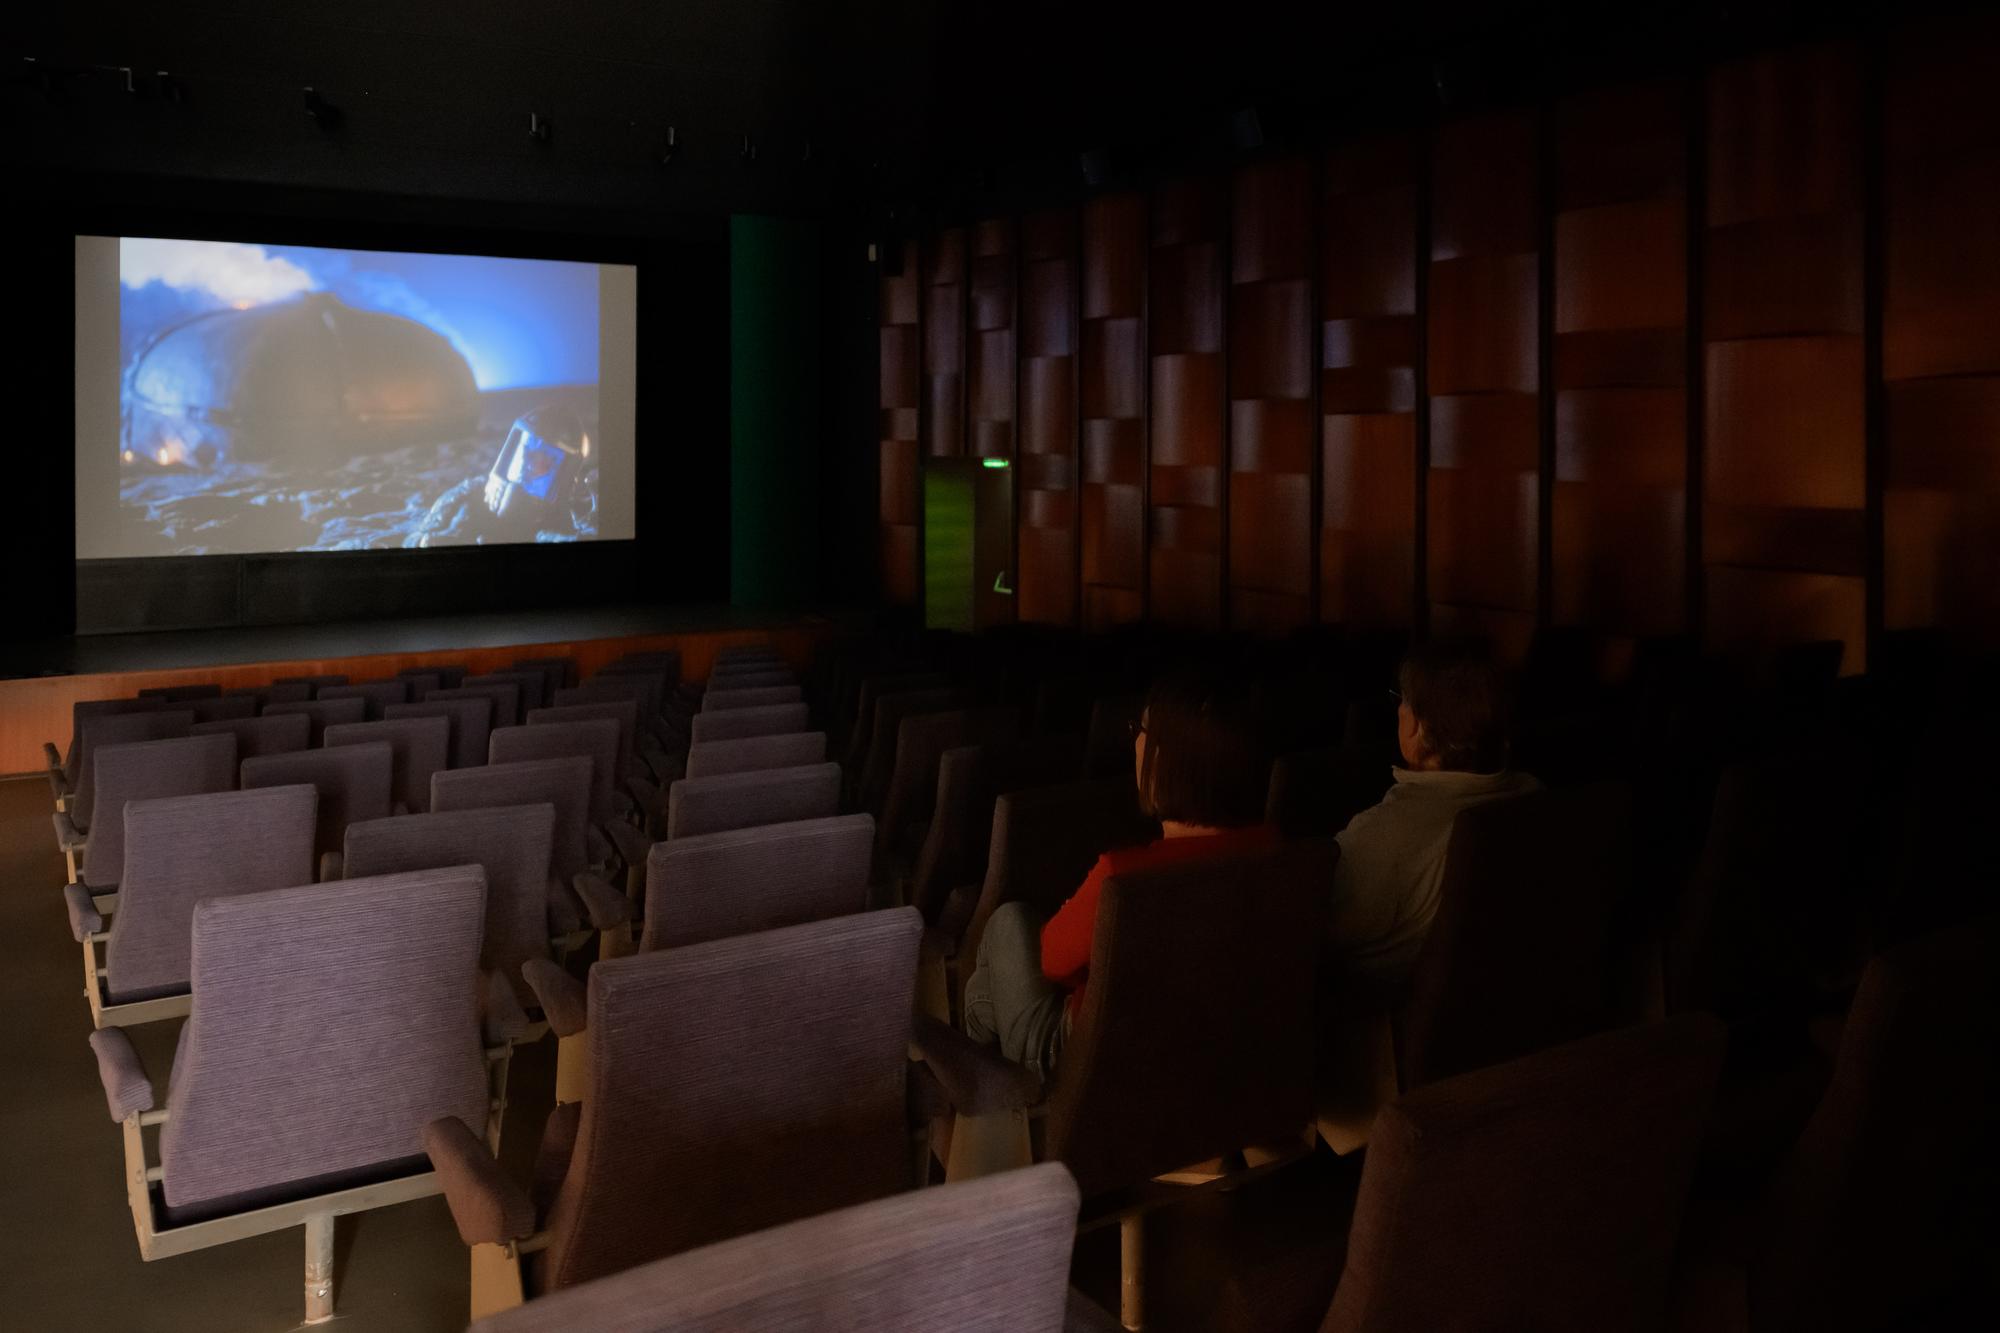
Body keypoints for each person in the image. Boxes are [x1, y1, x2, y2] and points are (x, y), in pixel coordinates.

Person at [961, 668, 1276, 1080]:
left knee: (1007, 923)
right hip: (1217, 1046)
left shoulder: (1124, 878)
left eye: (1139, 730)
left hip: (1093, 1061)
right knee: (985, 992)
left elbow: (1053, 963)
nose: (1135, 741)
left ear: (1165, 760)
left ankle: (984, 1081)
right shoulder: (1277, 852)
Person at [1325, 639, 1540, 1002]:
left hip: (1378, 1016)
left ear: (1418, 729)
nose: (1399, 710)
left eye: (1402, 700)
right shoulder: (1532, 794)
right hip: (1502, 1000)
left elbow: (1317, 937)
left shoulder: (1380, 837)